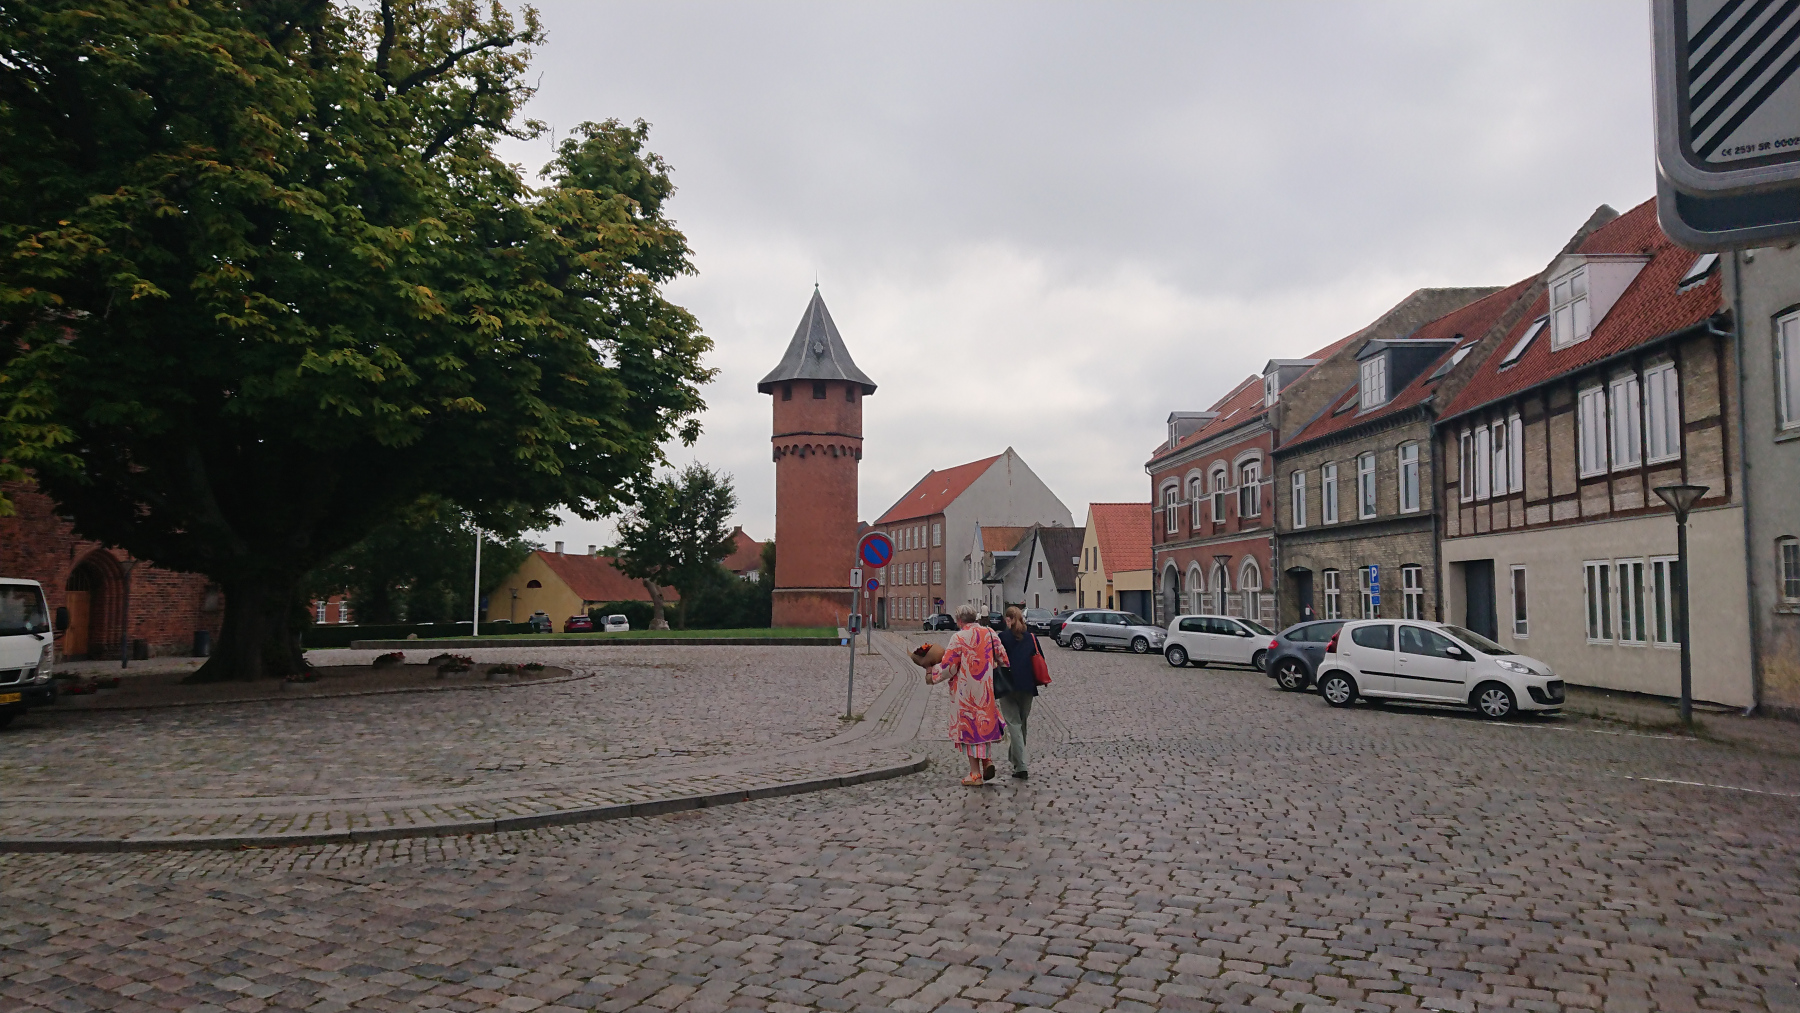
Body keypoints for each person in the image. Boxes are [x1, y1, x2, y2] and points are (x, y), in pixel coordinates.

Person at [924, 603, 1009, 786]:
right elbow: (1003, 658)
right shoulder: (990, 633)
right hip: (986, 690)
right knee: (983, 726)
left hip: (965, 693)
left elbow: (949, 667)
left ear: (959, 620)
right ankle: (987, 761)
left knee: (970, 731)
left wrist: (932, 673)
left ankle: (975, 774)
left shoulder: (958, 638)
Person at [996, 606, 1042, 779]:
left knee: (1014, 724)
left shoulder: (1002, 637)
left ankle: (1021, 765)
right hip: (1028, 686)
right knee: (1021, 723)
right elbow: (1039, 657)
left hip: (1007, 686)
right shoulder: (1031, 637)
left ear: (1008, 620)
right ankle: (1015, 759)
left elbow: (996, 659)